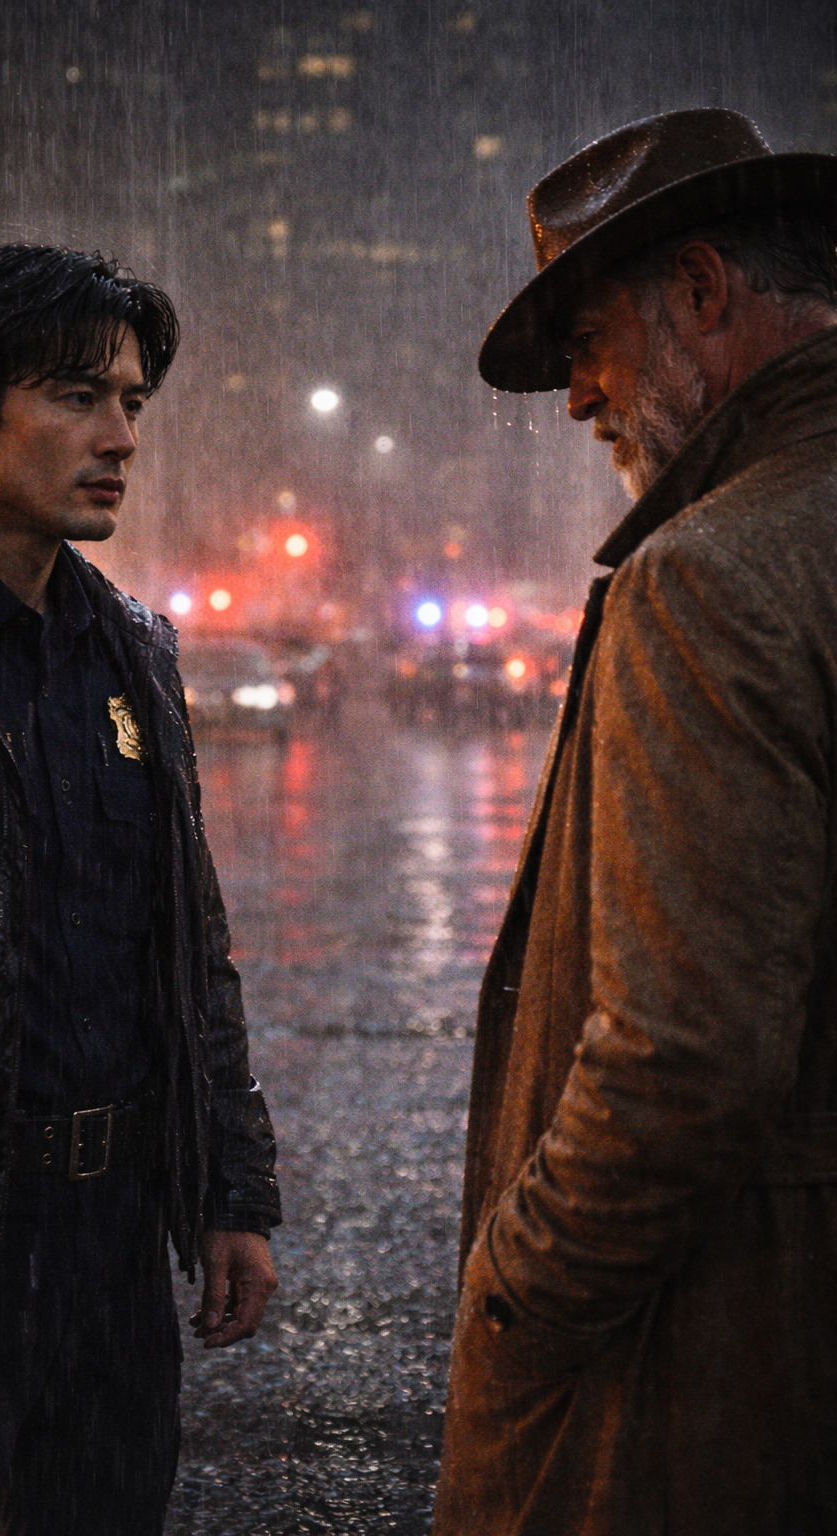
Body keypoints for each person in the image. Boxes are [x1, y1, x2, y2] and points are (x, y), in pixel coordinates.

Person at [0, 245, 282, 1535]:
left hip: (110, 1257)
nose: (121, 435)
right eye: (77, 396)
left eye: (131, 401)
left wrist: (230, 1194)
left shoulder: (132, 650)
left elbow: (189, 948)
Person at [433, 108, 837, 1535]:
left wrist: (514, 1294)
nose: (578, 401)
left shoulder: (711, 577)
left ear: (706, 293)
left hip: (718, 1370)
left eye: (590, 341)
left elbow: (681, 1058)